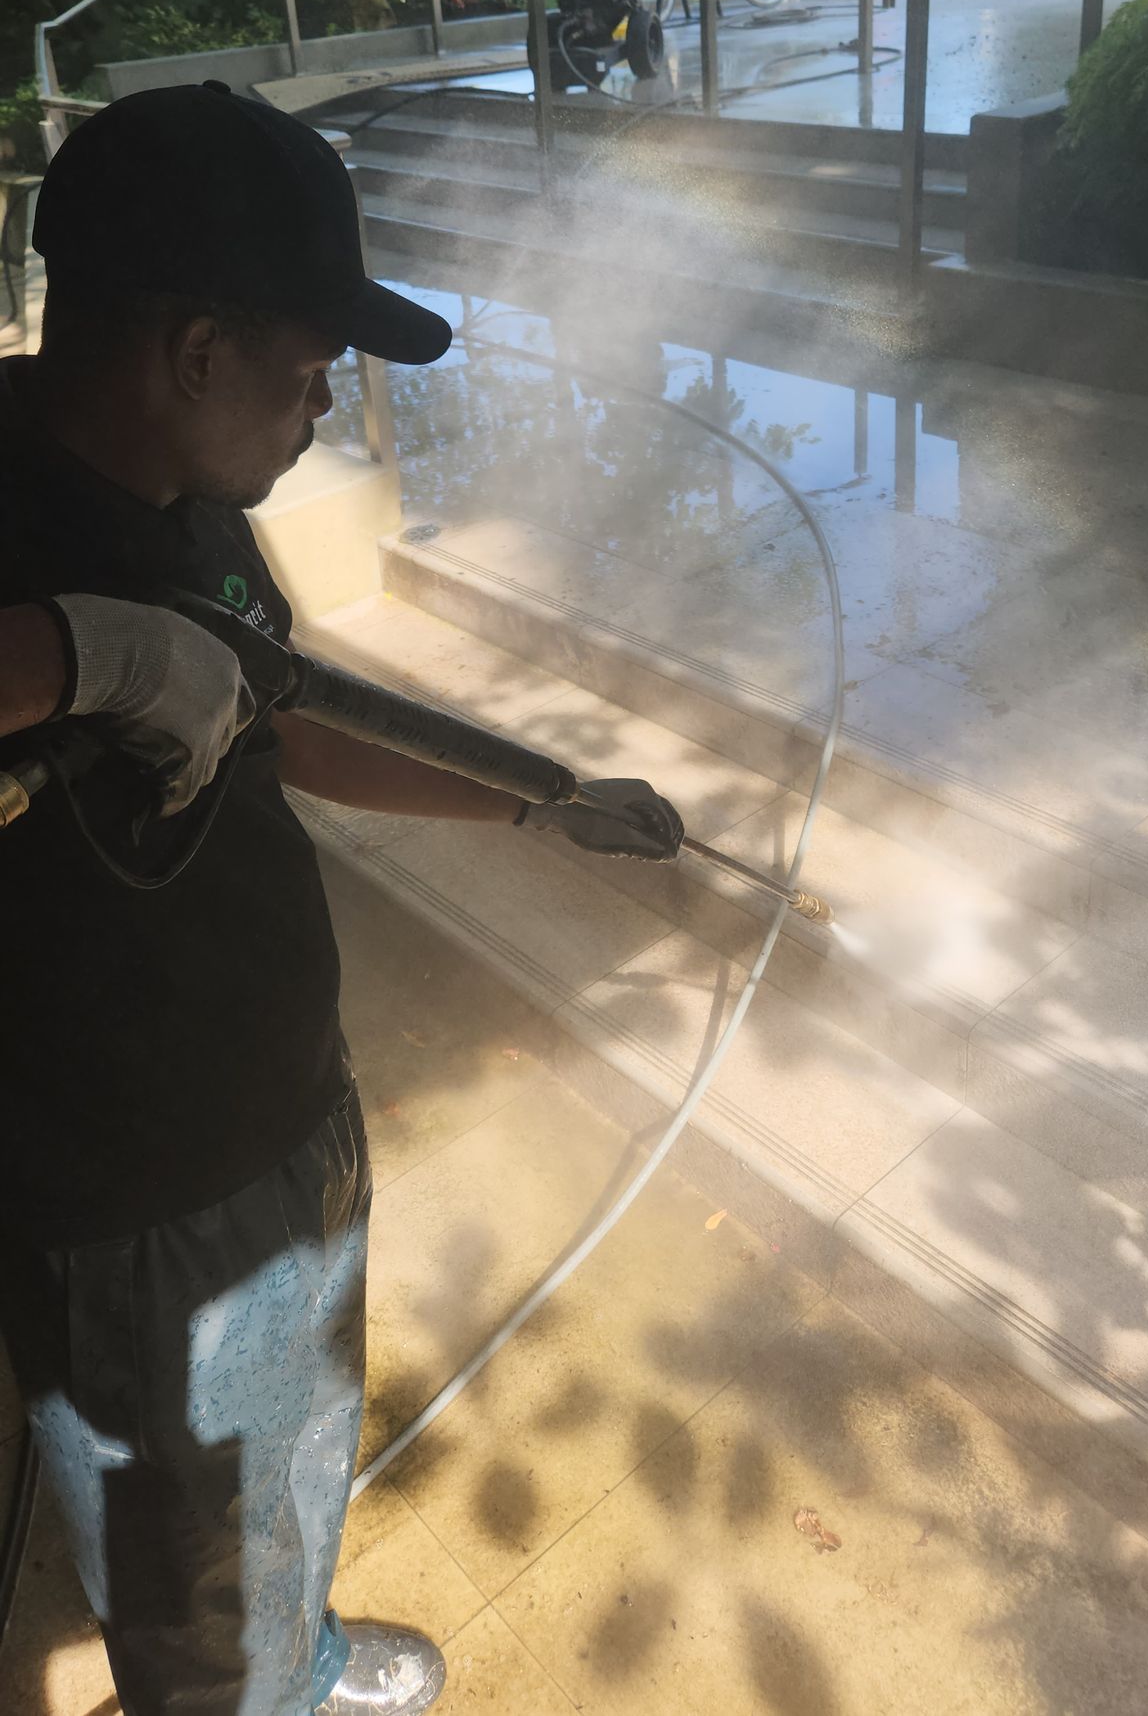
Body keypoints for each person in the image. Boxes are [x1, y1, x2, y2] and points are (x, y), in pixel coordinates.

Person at [0, 83, 684, 1716]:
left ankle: (284, 1663)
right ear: (193, 350)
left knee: (281, 1467)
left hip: (275, 1105)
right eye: (310, 371)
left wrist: (536, 795)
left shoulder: (195, 501)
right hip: (138, 1196)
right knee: (197, 1543)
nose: (323, 407)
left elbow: (288, 714)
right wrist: (84, 652)